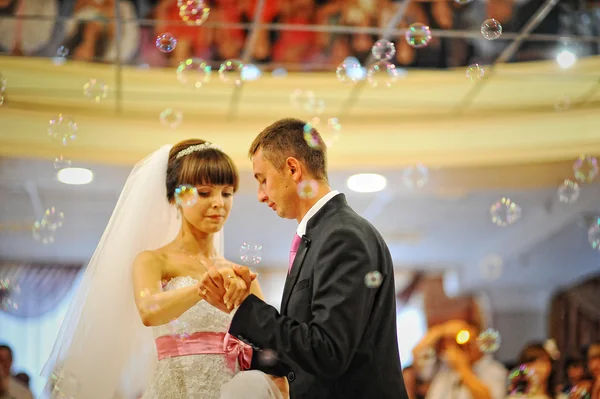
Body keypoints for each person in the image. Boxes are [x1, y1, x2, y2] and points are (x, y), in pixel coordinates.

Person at [43, 140, 286, 399]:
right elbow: (149, 311)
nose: (219, 203)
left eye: (226, 193)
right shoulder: (154, 261)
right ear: (177, 197)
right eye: (204, 193)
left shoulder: (239, 274)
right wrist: (203, 288)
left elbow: (271, 342)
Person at [201, 118, 408, 399]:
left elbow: (329, 352)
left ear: (292, 168)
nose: (261, 195)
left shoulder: (342, 236)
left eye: (263, 179)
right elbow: (303, 352)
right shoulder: (322, 235)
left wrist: (245, 309)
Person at [412, 320, 507, 399]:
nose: (467, 347)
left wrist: (462, 368)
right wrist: (442, 330)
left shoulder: (495, 370)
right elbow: (416, 353)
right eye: (462, 345)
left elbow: (489, 397)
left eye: (472, 342)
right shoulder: (444, 368)